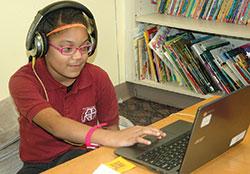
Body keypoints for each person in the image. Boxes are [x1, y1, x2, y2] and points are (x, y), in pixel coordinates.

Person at [9, 1, 166, 173]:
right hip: (40, 165)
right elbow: (55, 124)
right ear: (42, 47)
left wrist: (118, 145)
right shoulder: (23, 81)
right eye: (67, 48)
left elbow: (111, 129)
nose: (78, 56)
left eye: (84, 47)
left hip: (84, 154)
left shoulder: (98, 77)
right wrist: (111, 137)